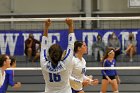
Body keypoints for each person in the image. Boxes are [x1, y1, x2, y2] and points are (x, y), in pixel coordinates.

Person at [40, 18, 75, 93]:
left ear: (49, 55)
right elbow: (71, 45)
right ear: (62, 54)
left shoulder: (44, 64)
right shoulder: (66, 63)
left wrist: (46, 27)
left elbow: (43, 46)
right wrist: (70, 25)